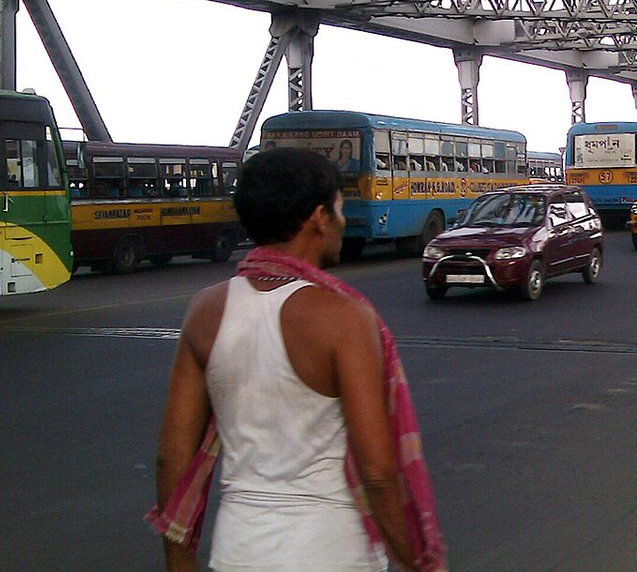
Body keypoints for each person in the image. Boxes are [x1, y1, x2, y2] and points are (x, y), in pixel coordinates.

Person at [149, 148, 445, 572]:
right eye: (340, 210)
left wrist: (179, 563)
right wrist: (420, 565)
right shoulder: (345, 318)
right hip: (331, 551)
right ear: (319, 218)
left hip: (238, 551)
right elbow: (378, 472)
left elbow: (171, 457)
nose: (343, 224)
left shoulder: (205, 310)